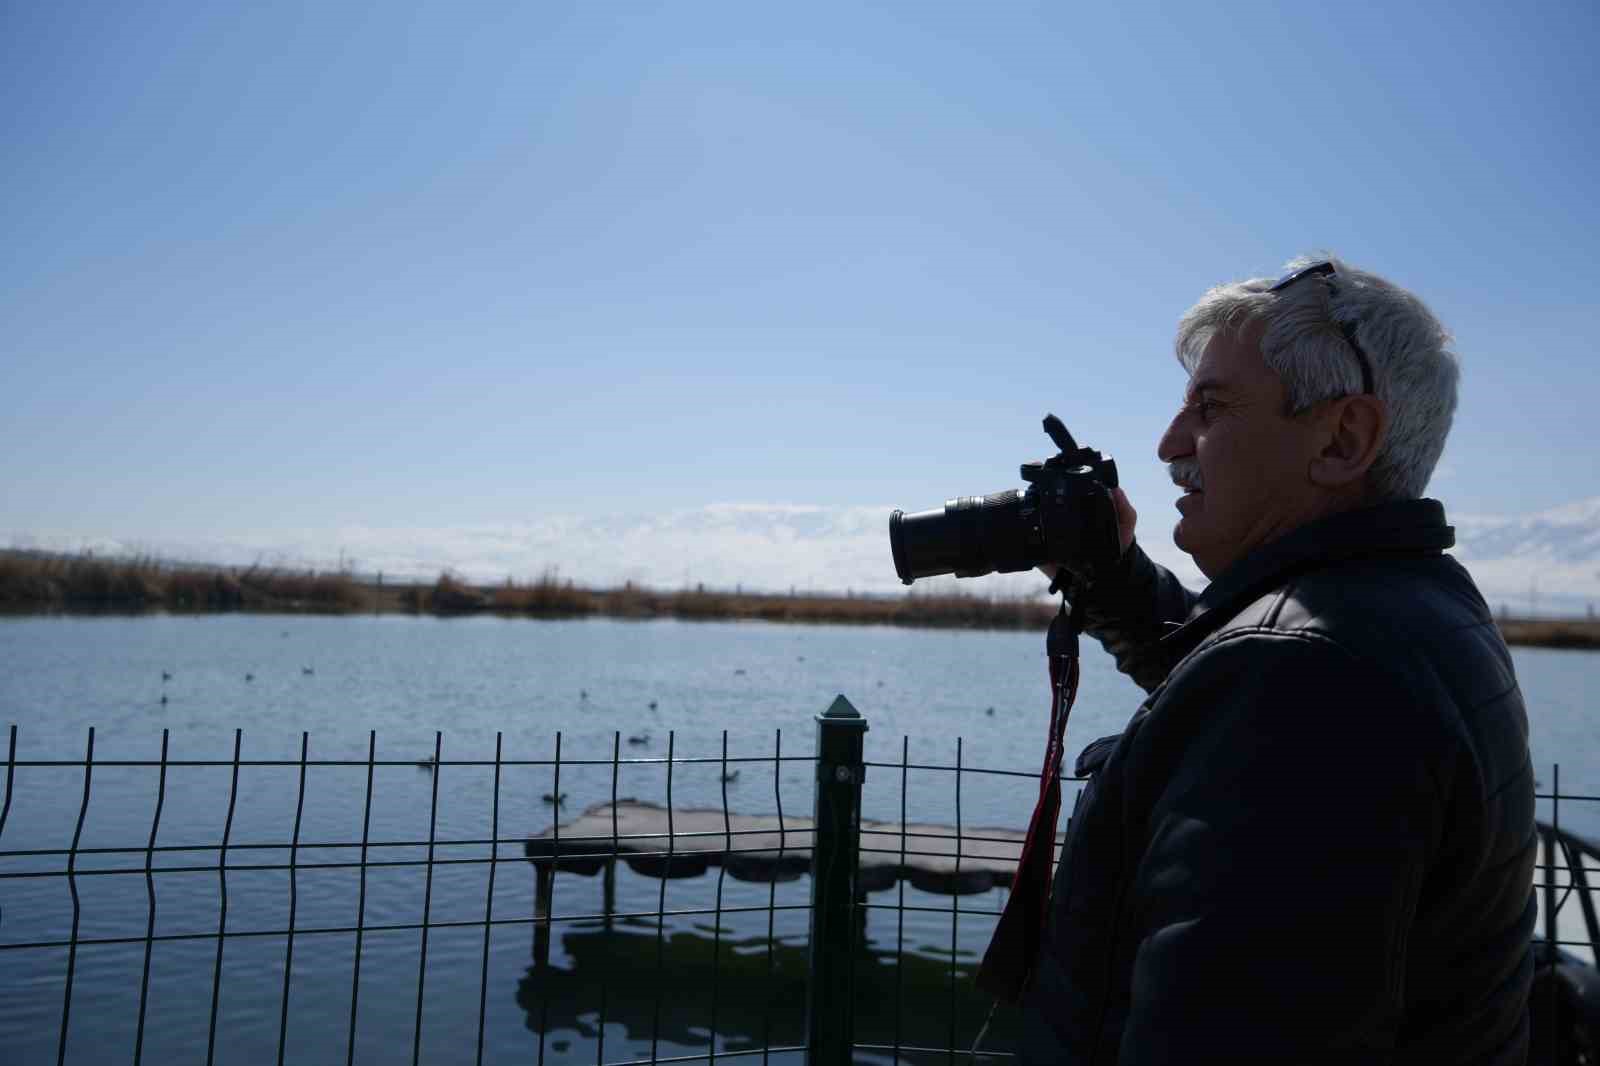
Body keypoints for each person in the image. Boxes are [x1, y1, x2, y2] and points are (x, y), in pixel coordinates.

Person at [1019, 256, 1535, 1064]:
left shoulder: (1312, 678)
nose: (1168, 444)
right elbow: (1230, 696)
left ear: (1342, 438)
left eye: (1212, 407)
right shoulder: (1406, 608)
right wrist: (1112, 577)